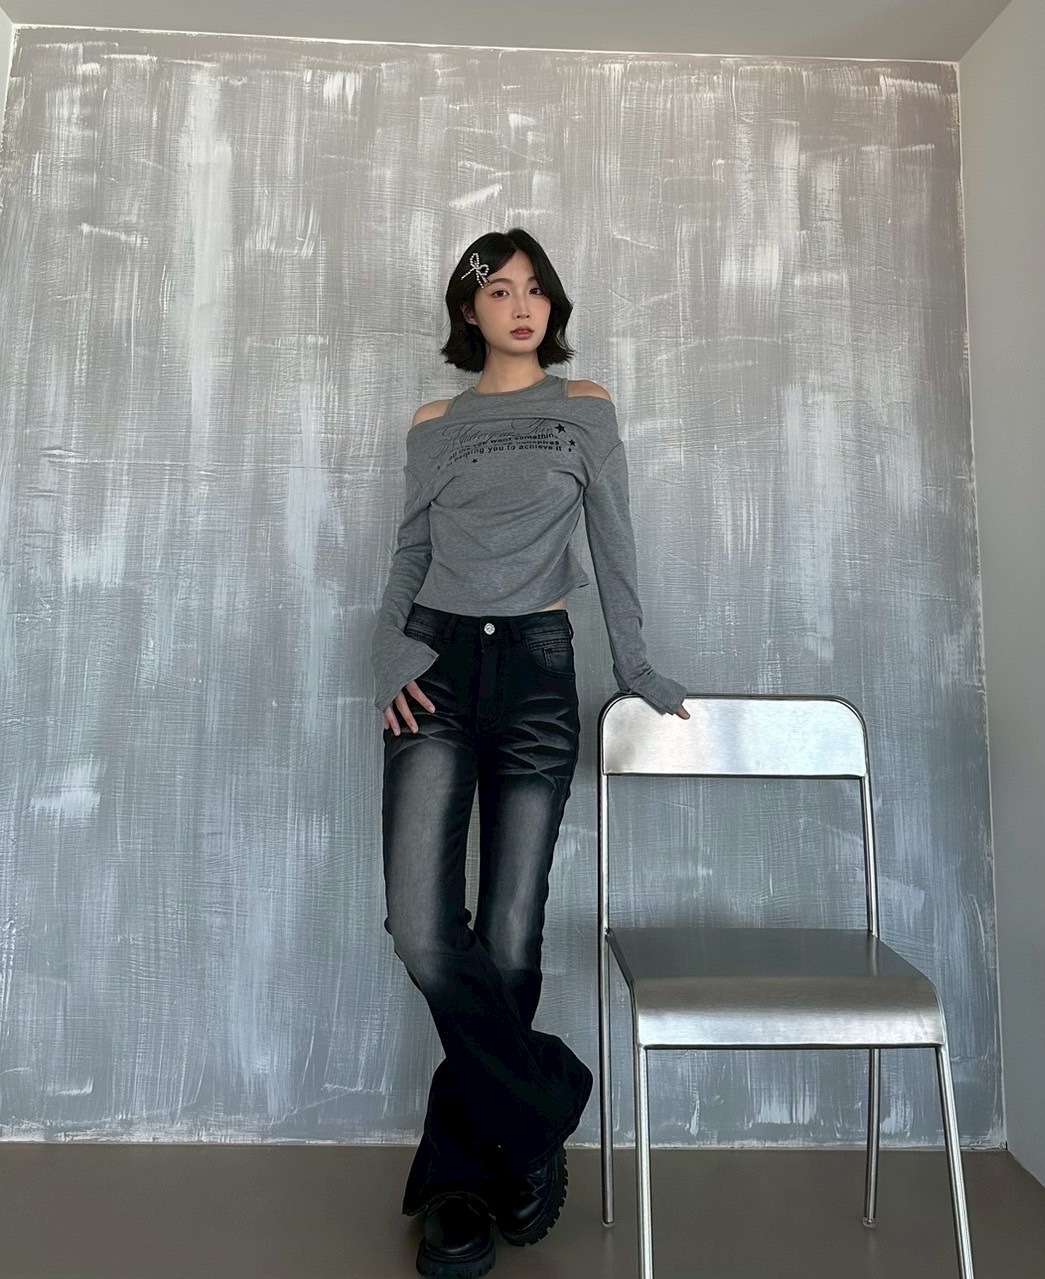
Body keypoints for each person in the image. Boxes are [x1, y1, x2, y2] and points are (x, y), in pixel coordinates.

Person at [372, 227, 690, 1278]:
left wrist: (635, 665)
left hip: (540, 671)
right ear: (467, 310)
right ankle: (540, 1100)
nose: (520, 306)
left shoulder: (583, 408)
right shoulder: (435, 424)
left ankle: (460, 1184)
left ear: (552, 306)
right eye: (497, 290)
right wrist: (387, 657)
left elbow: (615, 541)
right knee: (422, 927)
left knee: (508, 934)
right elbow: (410, 549)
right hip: (436, 664)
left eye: (535, 289)